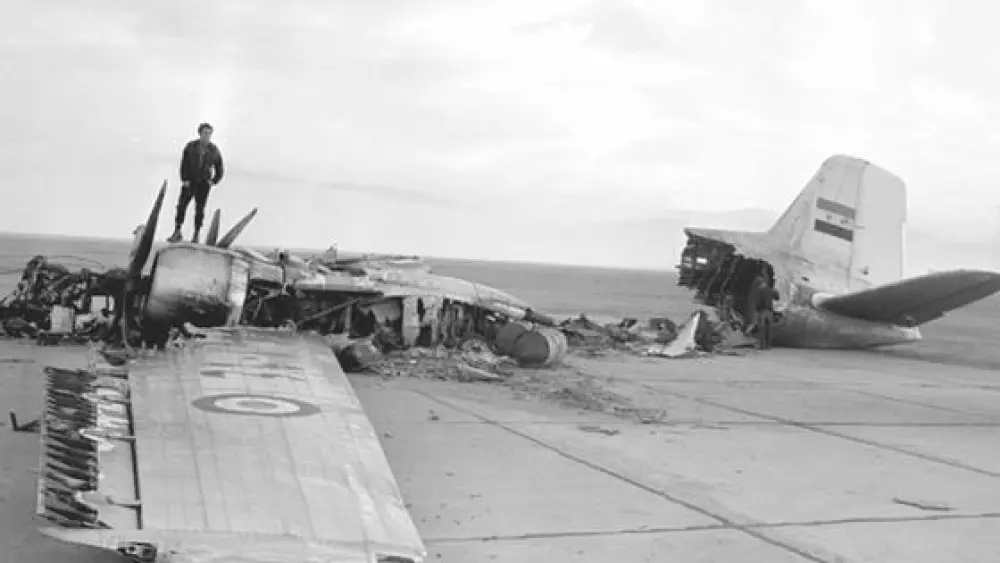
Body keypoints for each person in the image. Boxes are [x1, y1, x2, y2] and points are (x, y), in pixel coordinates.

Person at [168, 123, 225, 244]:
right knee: (181, 206)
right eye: (205, 133)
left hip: (204, 184)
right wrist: (184, 180)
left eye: (209, 134)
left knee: (200, 210)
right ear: (200, 133)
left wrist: (213, 181)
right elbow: (184, 164)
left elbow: (219, 167)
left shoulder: (213, 150)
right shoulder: (190, 147)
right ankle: (177, 231)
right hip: (190, 182)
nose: (207, 136)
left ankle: (196, 234)